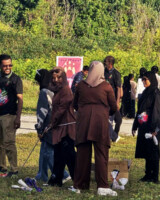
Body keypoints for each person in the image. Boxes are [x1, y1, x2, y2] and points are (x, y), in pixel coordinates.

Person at [72, 61, 117, 196]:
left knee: (82, 154)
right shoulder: (106, 86)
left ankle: (80, 184)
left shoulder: (80, 86)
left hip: (83, 122)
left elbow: (75, 105)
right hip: (100, 123)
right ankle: (102, 186)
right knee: (101, 154)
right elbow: (114, 107)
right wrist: (104, 113)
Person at [34, 69, 70, 183]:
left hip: (48, 125)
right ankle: (42, 174)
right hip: (57, 124)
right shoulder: (56, 90)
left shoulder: (44, 92)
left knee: (48, 152)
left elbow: (42, 111)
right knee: (44, 150)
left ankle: (63, 174)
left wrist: (39, 128)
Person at [47, 67, 76, 187]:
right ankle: (56, 180)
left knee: (70, 156)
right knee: (58, 155)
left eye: (58, 77)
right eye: (53, 78)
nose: (55, 80)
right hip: (59, 126)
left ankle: (78, 181)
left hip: (67, 127)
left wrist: (52, 123)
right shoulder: (57, 91)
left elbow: (62, 109)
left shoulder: (66, 90)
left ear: (63, 78)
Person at [132, 71, 160, 183]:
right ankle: (147, 174)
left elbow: (156, 111)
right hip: (144, 125)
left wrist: (155, 128)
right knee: (146, 151)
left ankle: (154, 176)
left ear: (151, 79)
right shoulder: (145, 92)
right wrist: (135, 125)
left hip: (152, 126)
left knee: (154, 151)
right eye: (142, 79)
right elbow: (139, 110)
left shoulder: (155, 93)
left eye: (145, 79)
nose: (143, 81)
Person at [104, 56, 122, 142]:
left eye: (106, 62)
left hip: (113, 100)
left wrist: (117, 102)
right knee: (107, 120)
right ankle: (113, 136)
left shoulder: (116, 73)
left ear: (110, 63)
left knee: (119, 120)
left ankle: (114, 135)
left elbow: (118, 88)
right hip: (104, 100)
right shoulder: (103, 72)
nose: (105, 63)